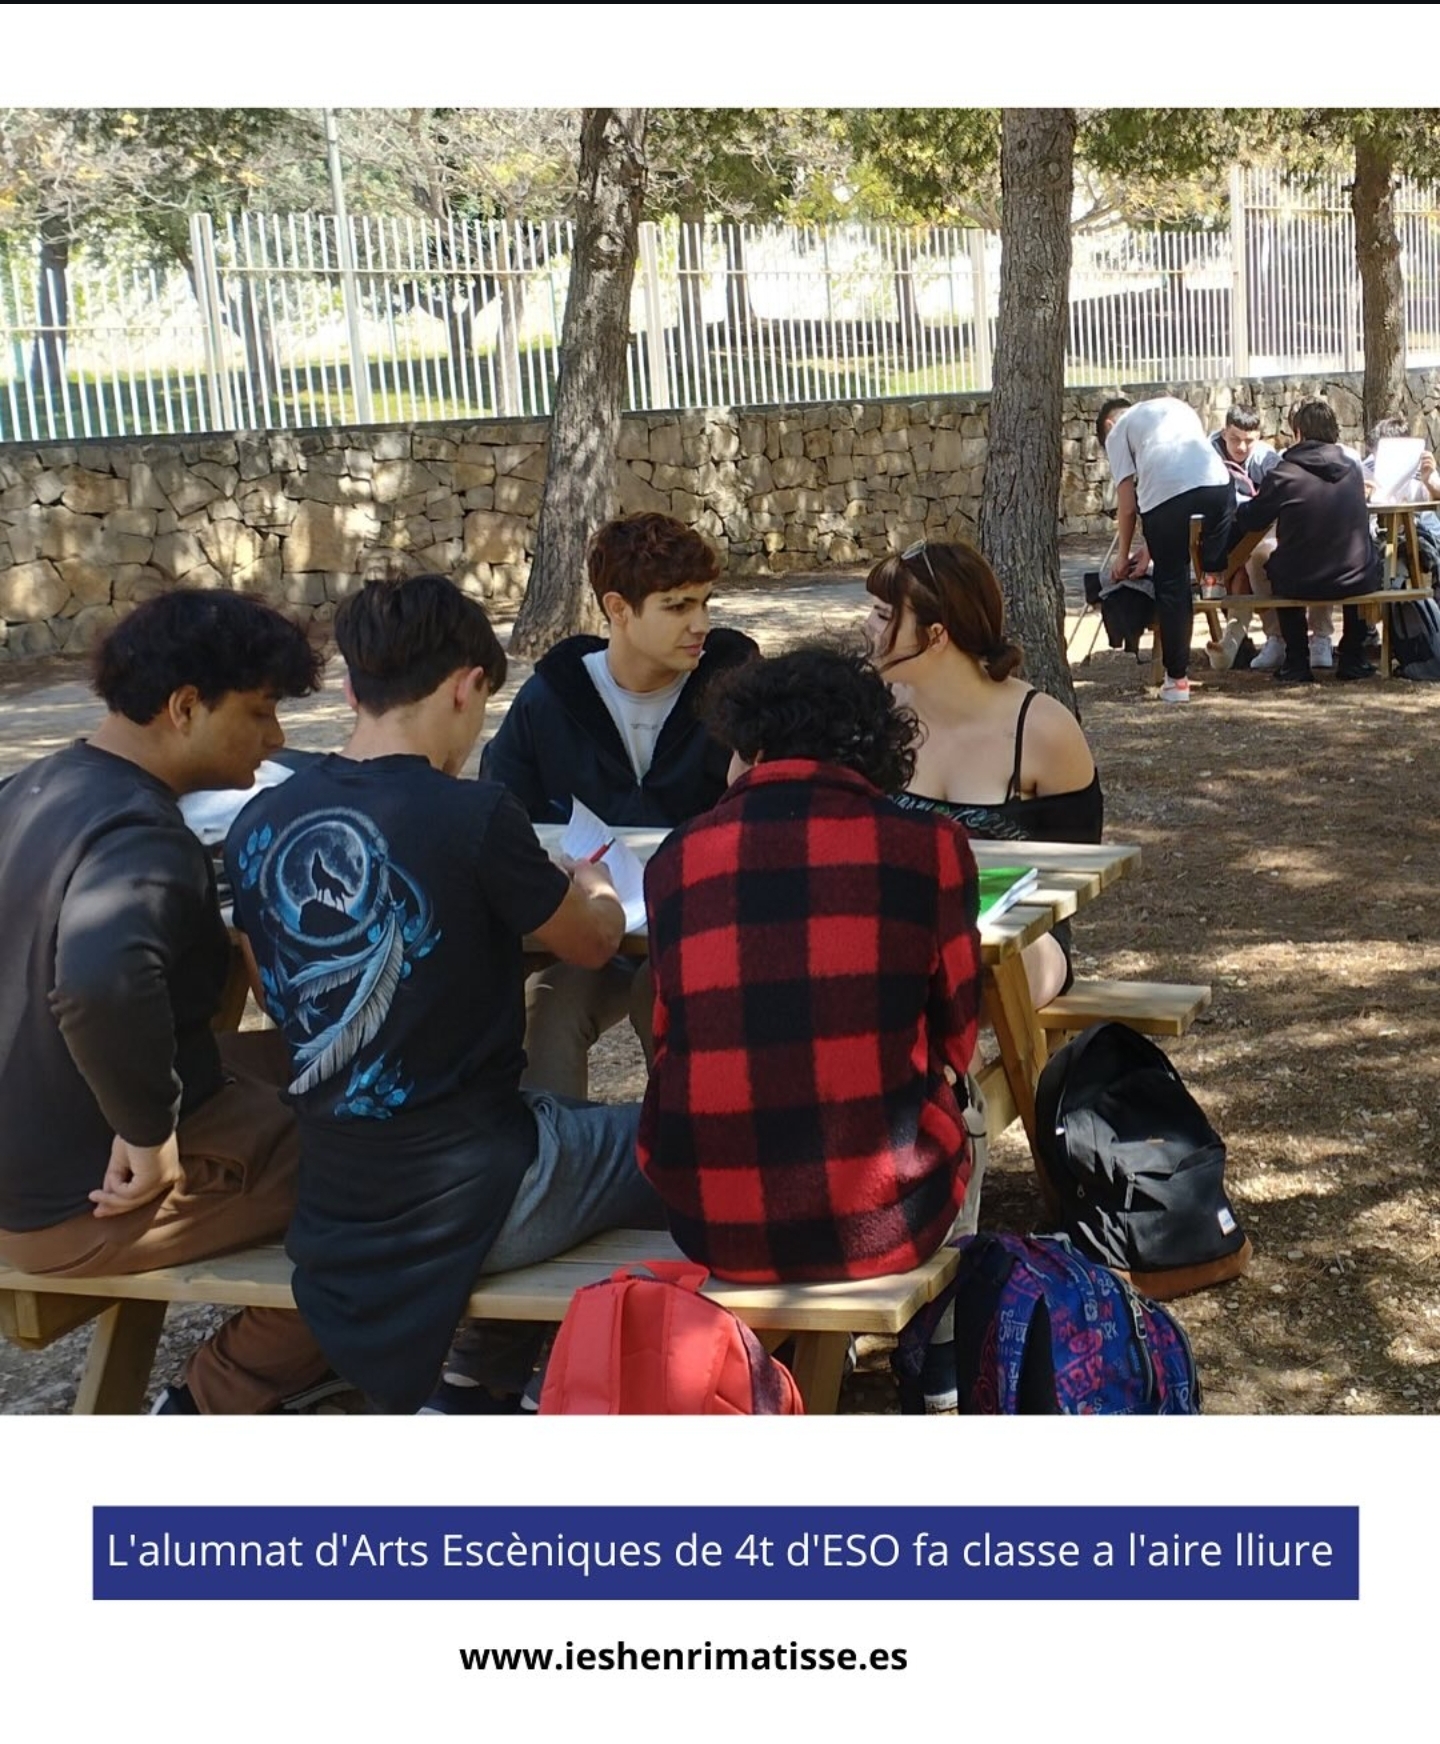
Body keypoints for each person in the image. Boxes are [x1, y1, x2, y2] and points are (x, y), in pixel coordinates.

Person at [225, 573, 663, 1414]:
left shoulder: (259, 824)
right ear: (466, 686)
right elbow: (595, 944)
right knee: (685, 1142)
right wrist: (596, 882)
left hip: (338, 1193)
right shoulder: (474, 814)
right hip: (480, 1192)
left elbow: (278, 998)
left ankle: (480, 1376)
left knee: (563, 1119)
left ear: (354, 690)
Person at [0, 589, 332, 1414]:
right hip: (75, 1205)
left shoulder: (30, 788)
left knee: (306, 1065)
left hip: (32, 1160)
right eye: (260, 711)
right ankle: (208, 1403)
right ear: (185, 707)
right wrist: (148, 1137)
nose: (276, 737)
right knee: (408, 1170)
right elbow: (101, 982)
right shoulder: (143, 833)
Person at [637, 644, 982, 1284]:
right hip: (890, 1220)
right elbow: (959, 1039)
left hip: (711, 1224)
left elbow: (665, 1037)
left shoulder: (674, 860)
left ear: (755, 748)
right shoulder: (929, 847)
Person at [481, 512, 758, 1100]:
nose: (701, 624)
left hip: (709, 927)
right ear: (618, 609)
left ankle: (696, 1145)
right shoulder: (550, 698)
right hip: (596, 927)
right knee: (545, 1012)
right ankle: (553, 1151)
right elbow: (504, 816)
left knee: (662, 995)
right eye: (677, 606)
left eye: (705, 602)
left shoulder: (739, 691)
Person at [864, 539, 1103, 1008]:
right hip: (894, 936)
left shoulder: (1041, 729)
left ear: (936, 635)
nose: (867, 626)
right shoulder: (873, 715)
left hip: (1019, 944)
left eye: (883, 615)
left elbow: (1076, 870)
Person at [1225, 396, 1382, 685]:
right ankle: (1352, 657)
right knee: (1364, 563)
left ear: (1298, 433)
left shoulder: (1285, 473)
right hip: (1356, 577)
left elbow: (1253, 519)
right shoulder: (1352, 468)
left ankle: (1296, 660)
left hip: (1300, 580)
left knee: (1279, 566)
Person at [1096, 393, 1235, 703]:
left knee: (1172, 584)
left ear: (1108, 425)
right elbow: (1187, 475)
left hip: (1164, 500)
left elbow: (1128, 507)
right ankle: (1213, 574)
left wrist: (1122, 557)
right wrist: (1149, 547)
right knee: (1215, 518)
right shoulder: (1175, 406)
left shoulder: (1117, 433)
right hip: (1218, 485)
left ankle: (1177, 681)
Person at [1208, 406, 1333, 673]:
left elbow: (1278, 492)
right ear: (1223, 433)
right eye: (1234, 439)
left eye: (1249, 440)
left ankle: (1239, 642)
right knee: (1238, 570)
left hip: (1262, 531)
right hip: (1225, 532)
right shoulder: (1208, 453)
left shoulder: (1268, 458)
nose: (1241, 447)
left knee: (1252, 564)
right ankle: (1263, 639)